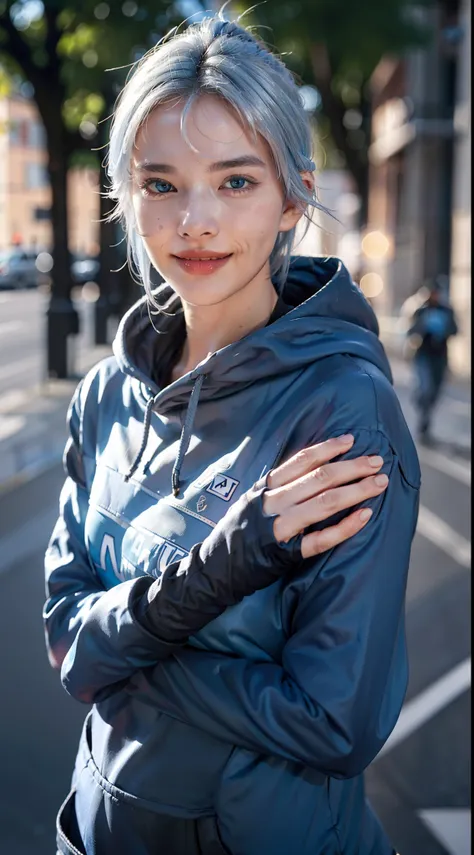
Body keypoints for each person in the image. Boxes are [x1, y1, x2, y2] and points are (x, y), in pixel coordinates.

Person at [44, 14, 420, 855]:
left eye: (237, 181)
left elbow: (333, 724)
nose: (196, 222)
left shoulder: (342, 408)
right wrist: (219, 567)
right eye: (163, 183)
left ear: (294, 195)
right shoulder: (105, 395)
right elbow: (65, 635)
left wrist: (119, 653)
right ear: (127, 197)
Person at [403, 276, 458, 441]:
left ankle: (425, 416)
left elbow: (455, 330)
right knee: (426, 389)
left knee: (435, 392)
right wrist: (423, 326)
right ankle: (423, 425)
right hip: (423, 356)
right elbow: (410, 332)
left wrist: (444, 330)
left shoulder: (447, 311)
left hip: (440, 358)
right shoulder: (420, 311)